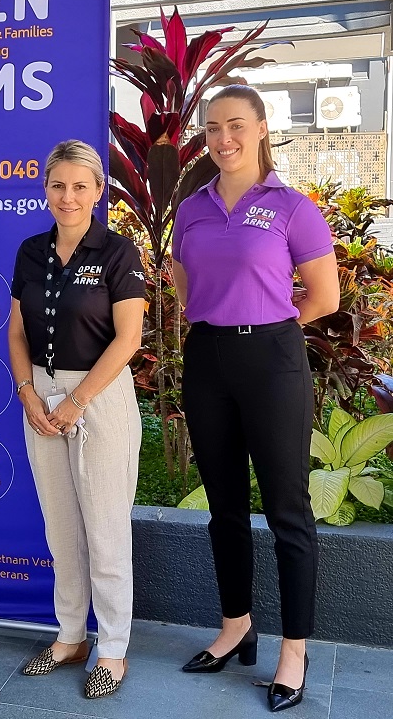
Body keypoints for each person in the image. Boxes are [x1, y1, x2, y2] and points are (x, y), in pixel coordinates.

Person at [173, 85, 339, 713]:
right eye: (212, 128)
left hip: (272, 358)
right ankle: (236, 625)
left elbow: (325, 298)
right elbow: (187, 290)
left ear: (263, 128)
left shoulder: (292, 207)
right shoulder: (191, 209)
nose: (223, 139)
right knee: (225, 507)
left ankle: (293, 648)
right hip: (209, 357)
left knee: (288, 510)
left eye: (236, 125)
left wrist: (269, 323)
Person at [8, 140, 146, 699]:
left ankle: (112, 648)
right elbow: (15, 331)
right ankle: (70, 636)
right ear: (46, 190)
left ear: (97, 191)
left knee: (106, 531)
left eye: (80, 186)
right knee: (62, 530)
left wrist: (77, 400)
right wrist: (28, 393)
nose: (68, 196)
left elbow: (129, 338)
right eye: (58, 185)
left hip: (99, 398)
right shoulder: (29, 250)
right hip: (40, 397)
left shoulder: (117, 252)